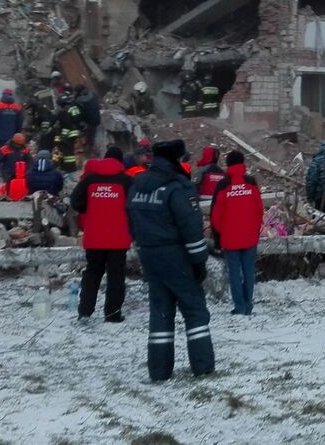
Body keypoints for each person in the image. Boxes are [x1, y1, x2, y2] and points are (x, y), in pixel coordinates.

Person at [128, 139, 214, 381]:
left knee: (160, 311)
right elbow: (191, 227)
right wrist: (199, 262)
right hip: (176, 255)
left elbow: (131, 222)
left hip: (149, 254)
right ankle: (203, 366)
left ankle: (159, 370)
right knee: (195, 310)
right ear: (177, 160)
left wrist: (142, 246)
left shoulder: (138, 185)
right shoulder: (178, 187)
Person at [70, 155, 134, 323]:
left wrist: (91, 207)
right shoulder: (126, 180)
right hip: (118, 236)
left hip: (94, 235)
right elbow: (135, 204)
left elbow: (75, 202)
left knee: (92, 272)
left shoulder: (89, 179)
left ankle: (85, 311)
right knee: (116, 275)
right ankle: (113, 314)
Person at [211, 151, 262, 316]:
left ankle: (239, 307)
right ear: (243, 163)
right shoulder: (251, 182)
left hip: (230, 237)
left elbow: (215, 215)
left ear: (228, 164)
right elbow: (259, 210)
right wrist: (254, 228)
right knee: (248, 271)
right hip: (249, 236)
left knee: (234, 272)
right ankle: (248, 306)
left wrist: (221, 233)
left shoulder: (223, 185)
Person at [0, 89, 24, 171]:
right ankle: (11, 169)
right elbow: (19, 122)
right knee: (12, 152)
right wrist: (18, 134)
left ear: (3, 95)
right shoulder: (17, 107)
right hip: (12, 136)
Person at [55, 91, 85, 174]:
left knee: (68, 153)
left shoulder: (65, 111)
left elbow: (66, 125)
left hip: (69, 134)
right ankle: (72, 167)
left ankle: (70, 169)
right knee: (71, 151)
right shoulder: (73, 107)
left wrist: (62, 136)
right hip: (76, 133)